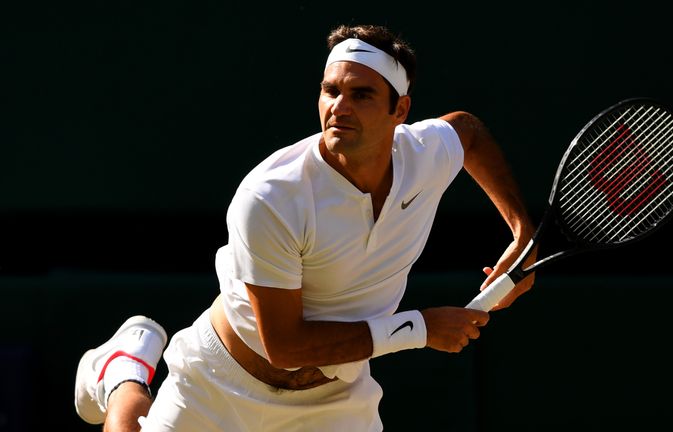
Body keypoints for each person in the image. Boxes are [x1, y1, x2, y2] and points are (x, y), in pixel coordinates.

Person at [74, 23, 536, 431]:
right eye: (330, 91)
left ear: (401, 111)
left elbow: (468, 131)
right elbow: (286, 347)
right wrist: (420, 327)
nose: (340, 107)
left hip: (334, 399)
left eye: (361, 94)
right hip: (221, 384)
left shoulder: (424, 154)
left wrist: (522, 233)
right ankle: (123, 371)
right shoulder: (272, 197)